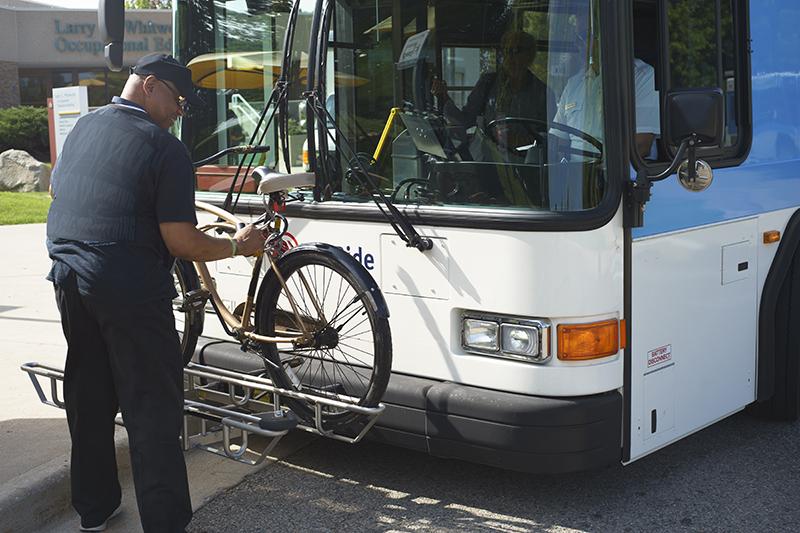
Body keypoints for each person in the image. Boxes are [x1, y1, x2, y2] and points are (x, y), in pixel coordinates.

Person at [46, 53, 266, 532]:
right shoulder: (163, 148)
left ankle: (95, 509)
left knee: (89, 396)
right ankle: (166, 523)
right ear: (149, 86)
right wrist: (236, 244)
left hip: (68, 276)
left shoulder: (83, 128)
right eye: (177, 100)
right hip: (127, 285)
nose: (178, 112)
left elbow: (61, 194)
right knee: (152, 407)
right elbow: (182, 241)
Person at [431, 30, 556, 158]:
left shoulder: (543, 93)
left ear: (530, 55)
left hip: (527, 164)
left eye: (516, 50)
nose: (510, 57)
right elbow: (465, 120)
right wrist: (444, 97)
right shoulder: (488, 83)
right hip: (489, 162)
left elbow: (550, 139)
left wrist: (525, 140)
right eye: (507, 51)